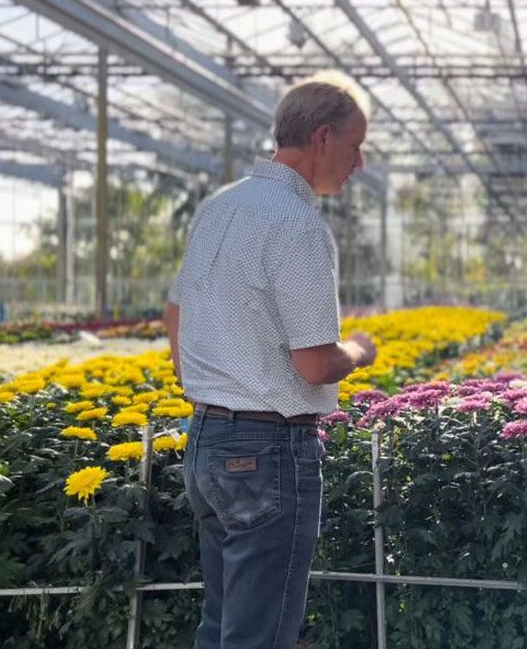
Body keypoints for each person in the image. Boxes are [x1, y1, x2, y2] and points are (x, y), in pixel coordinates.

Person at [164, 76, 378, 649]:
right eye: (355, 146)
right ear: (323, 137)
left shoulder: (219, 207)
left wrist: (209, 383)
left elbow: (173, 312)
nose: (359, 162)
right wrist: (360, 349)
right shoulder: (297, 224)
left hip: (207, 439)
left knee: (223, 624)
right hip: (266, 451)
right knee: (260, 637)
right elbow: (313, 364)